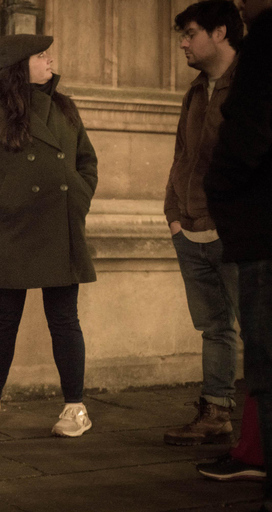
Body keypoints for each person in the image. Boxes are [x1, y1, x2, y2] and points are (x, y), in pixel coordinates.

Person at [0, 34, 98, 437]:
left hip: (61, 224)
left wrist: (79, 196)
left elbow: (88, 161)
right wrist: (6, 197)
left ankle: (75, 408)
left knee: (65, 320)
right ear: (20, 65)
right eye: (40, 54)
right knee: (2, 320)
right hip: (10, 226)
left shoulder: (64, 108)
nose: (49, 58)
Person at [162, 0, 244, 447]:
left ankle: (255, 428)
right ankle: (216, 412)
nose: (183, 43)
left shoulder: (251, 85)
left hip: (233, 232)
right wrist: (174, 215)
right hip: (189, 229)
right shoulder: (195, 92)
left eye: (190, 33)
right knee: (213, 327)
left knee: (256, 329)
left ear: (219, 33)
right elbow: (181, 155)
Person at [204, 0, 272, 508]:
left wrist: (221, 195)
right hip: (245, 226)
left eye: (190, 33)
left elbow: (244, 140)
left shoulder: (263, 48)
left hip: (262, 231)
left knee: (265, 362)